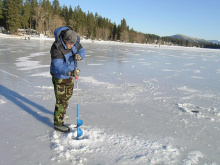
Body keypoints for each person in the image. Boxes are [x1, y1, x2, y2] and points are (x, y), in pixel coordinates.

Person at [50, 26, 85, 132]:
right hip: (60, 77)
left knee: (68, 96)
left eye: (73, 44)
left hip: (70, 76)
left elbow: (81, 49)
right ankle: (58, 123)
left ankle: (62, 114)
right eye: (70, 44)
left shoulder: (74, 41)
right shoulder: (57, 48)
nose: (71, 46)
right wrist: (70, 72)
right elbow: (58, 66)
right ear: (65, 40)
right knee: (61, 100)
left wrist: (80, 55)